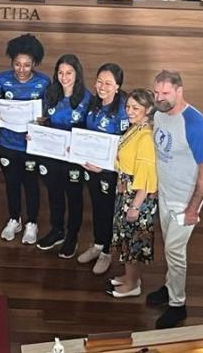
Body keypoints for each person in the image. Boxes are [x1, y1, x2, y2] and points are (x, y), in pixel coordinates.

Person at [147, 70, 203, 329]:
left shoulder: (195, 124)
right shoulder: (160, 113)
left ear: (179, 91)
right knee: (168, 246)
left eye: (165, 93)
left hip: (184, 200)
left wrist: (192, 209)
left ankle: (178, 304)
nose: (159, 98)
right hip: (165, 193)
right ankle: (168, 287)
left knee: (175, 252)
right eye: (156, 92)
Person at [0, 34, 49, 244]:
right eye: (17, 64)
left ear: (34, 64)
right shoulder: (2, 79)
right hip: (7, 143)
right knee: (11, 183)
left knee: (31, 183)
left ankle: (31, 223)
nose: (21, 69)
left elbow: (47, 113)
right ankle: (14, 218)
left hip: (30, 144)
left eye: (27, 65)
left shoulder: (43, 82)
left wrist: (40, 124)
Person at [36, 54, 92, 258]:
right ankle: (57, 230)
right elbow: (44, 121)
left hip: (74, 159)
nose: (64, 77)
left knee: (74, 197)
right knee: (54, 193)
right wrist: (35, 132)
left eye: (69, 73)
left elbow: (90, 131)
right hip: (52, 156)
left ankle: (72, 236)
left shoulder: (87, 99)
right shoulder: (50, 93)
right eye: (60, 72)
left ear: (77, 74)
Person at [78, 63, 129, 275]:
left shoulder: (124, 110)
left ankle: (107, 252)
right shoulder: (92, 103)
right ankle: (98, 244)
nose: (102, 87)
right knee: (96, 207)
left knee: (108, 211)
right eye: (99, 81)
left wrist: (107, 166)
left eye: (108, 83)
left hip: (110, 171)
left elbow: (126, 146)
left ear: (117, 86)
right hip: (91, 168)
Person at [108, 88, 158, 299]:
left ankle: (132, 285)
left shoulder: (146, 136)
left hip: (136, 195)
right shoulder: (135, 128)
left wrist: (135, 206)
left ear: (148, 110)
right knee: (125, 238)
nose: (129, 111)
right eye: (128, 106)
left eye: (136, 108)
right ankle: (130, 277)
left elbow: (146, 177)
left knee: (133, 241)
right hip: (125, 190)